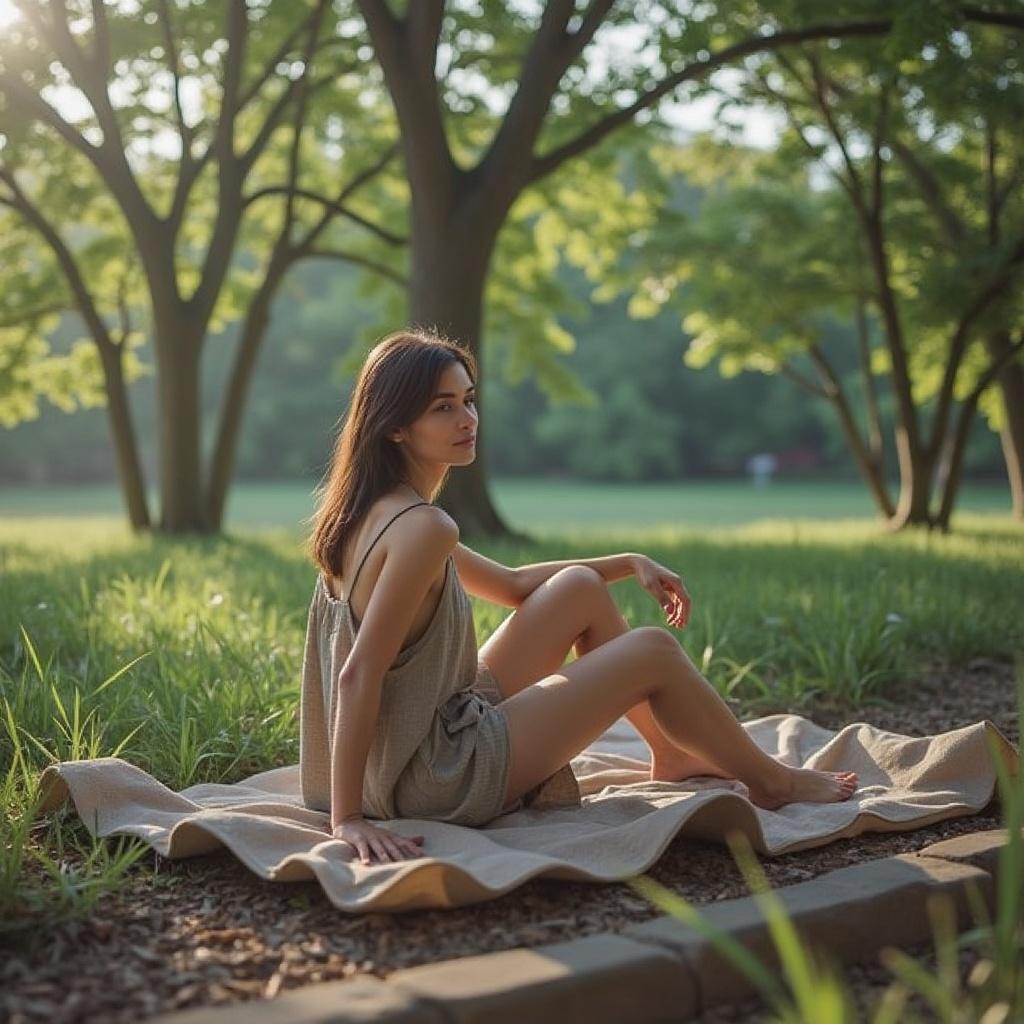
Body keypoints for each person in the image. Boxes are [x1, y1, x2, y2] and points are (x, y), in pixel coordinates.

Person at [301, 329, 858, 867]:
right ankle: (773, 782)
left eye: (469, 400)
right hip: (437, 775)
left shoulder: (374, 511)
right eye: (442, 408)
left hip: (412, 748)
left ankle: (671, 755)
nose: (467, 418)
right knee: (653, 652)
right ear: (395, 427)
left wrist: (627, 563)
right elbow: (359, 673)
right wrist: (348, 819)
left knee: (577, 589)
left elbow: (516, 586)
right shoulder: (425, 528)